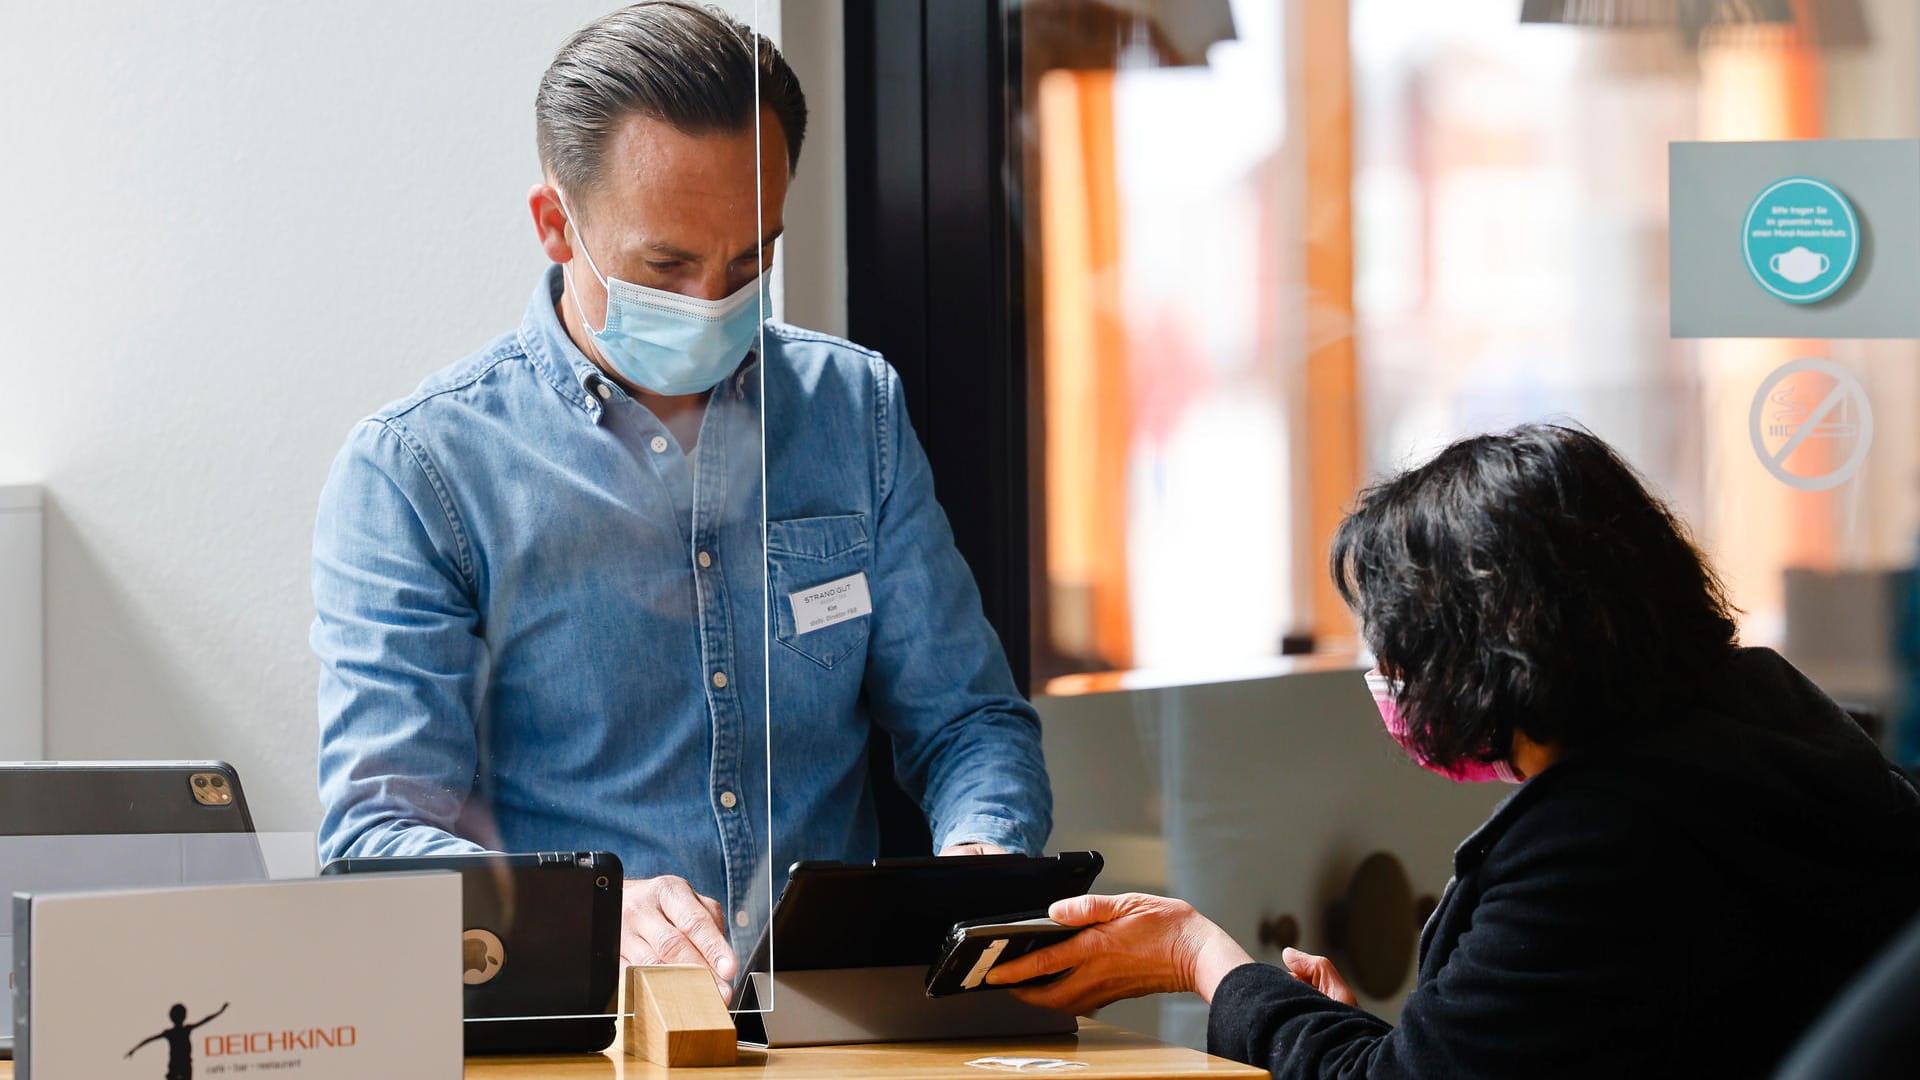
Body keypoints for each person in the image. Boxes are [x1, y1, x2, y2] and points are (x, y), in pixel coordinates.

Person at [310, 1, 1050, 1001]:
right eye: (667, 266)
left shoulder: (851, 411)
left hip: (832, 1028)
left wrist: (977, 859)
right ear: (554, 225)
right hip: (580, 1031)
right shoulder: (420, 473)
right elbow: (376, 840)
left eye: (751, 261)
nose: (713, 302)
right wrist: (590, 910)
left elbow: (969, 723)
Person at [985, 424, 1920, 1077]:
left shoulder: (1602, 843)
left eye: (1394, 645)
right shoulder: (1778, 747)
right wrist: (1357, 1035)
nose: (1387, 676)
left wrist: (1201, 958)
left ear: (1482, 648)